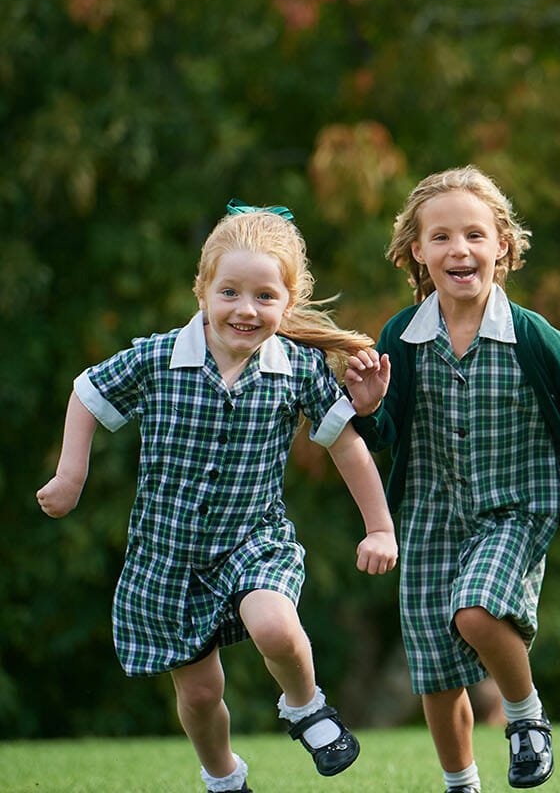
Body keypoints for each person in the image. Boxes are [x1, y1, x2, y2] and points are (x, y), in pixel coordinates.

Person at [36, 202, 399, 793]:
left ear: (288, 301)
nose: (246, 309)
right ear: (203, 289)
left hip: (253, 540)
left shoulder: (298, 370)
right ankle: (224, 776)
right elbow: (87, 392)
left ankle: (305, 707)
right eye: (229, 291)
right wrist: (70, 472)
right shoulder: (158, 358)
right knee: (202, 695)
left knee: (277, 628)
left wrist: (380, 527)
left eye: (264, 296)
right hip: (169, 556)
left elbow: (346, 447)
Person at [344, 166, 560, 793]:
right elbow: (380, 442)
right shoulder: (401, 336)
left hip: (516, 507)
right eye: (442, 237)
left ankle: (526, 716)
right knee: (434, 671)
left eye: (476, 235)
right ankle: (461, 784)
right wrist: (369, 408)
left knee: (478, 612)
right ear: (417, 252)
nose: (460, 249)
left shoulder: (534, 338)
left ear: (502, 246)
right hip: (428, 514)